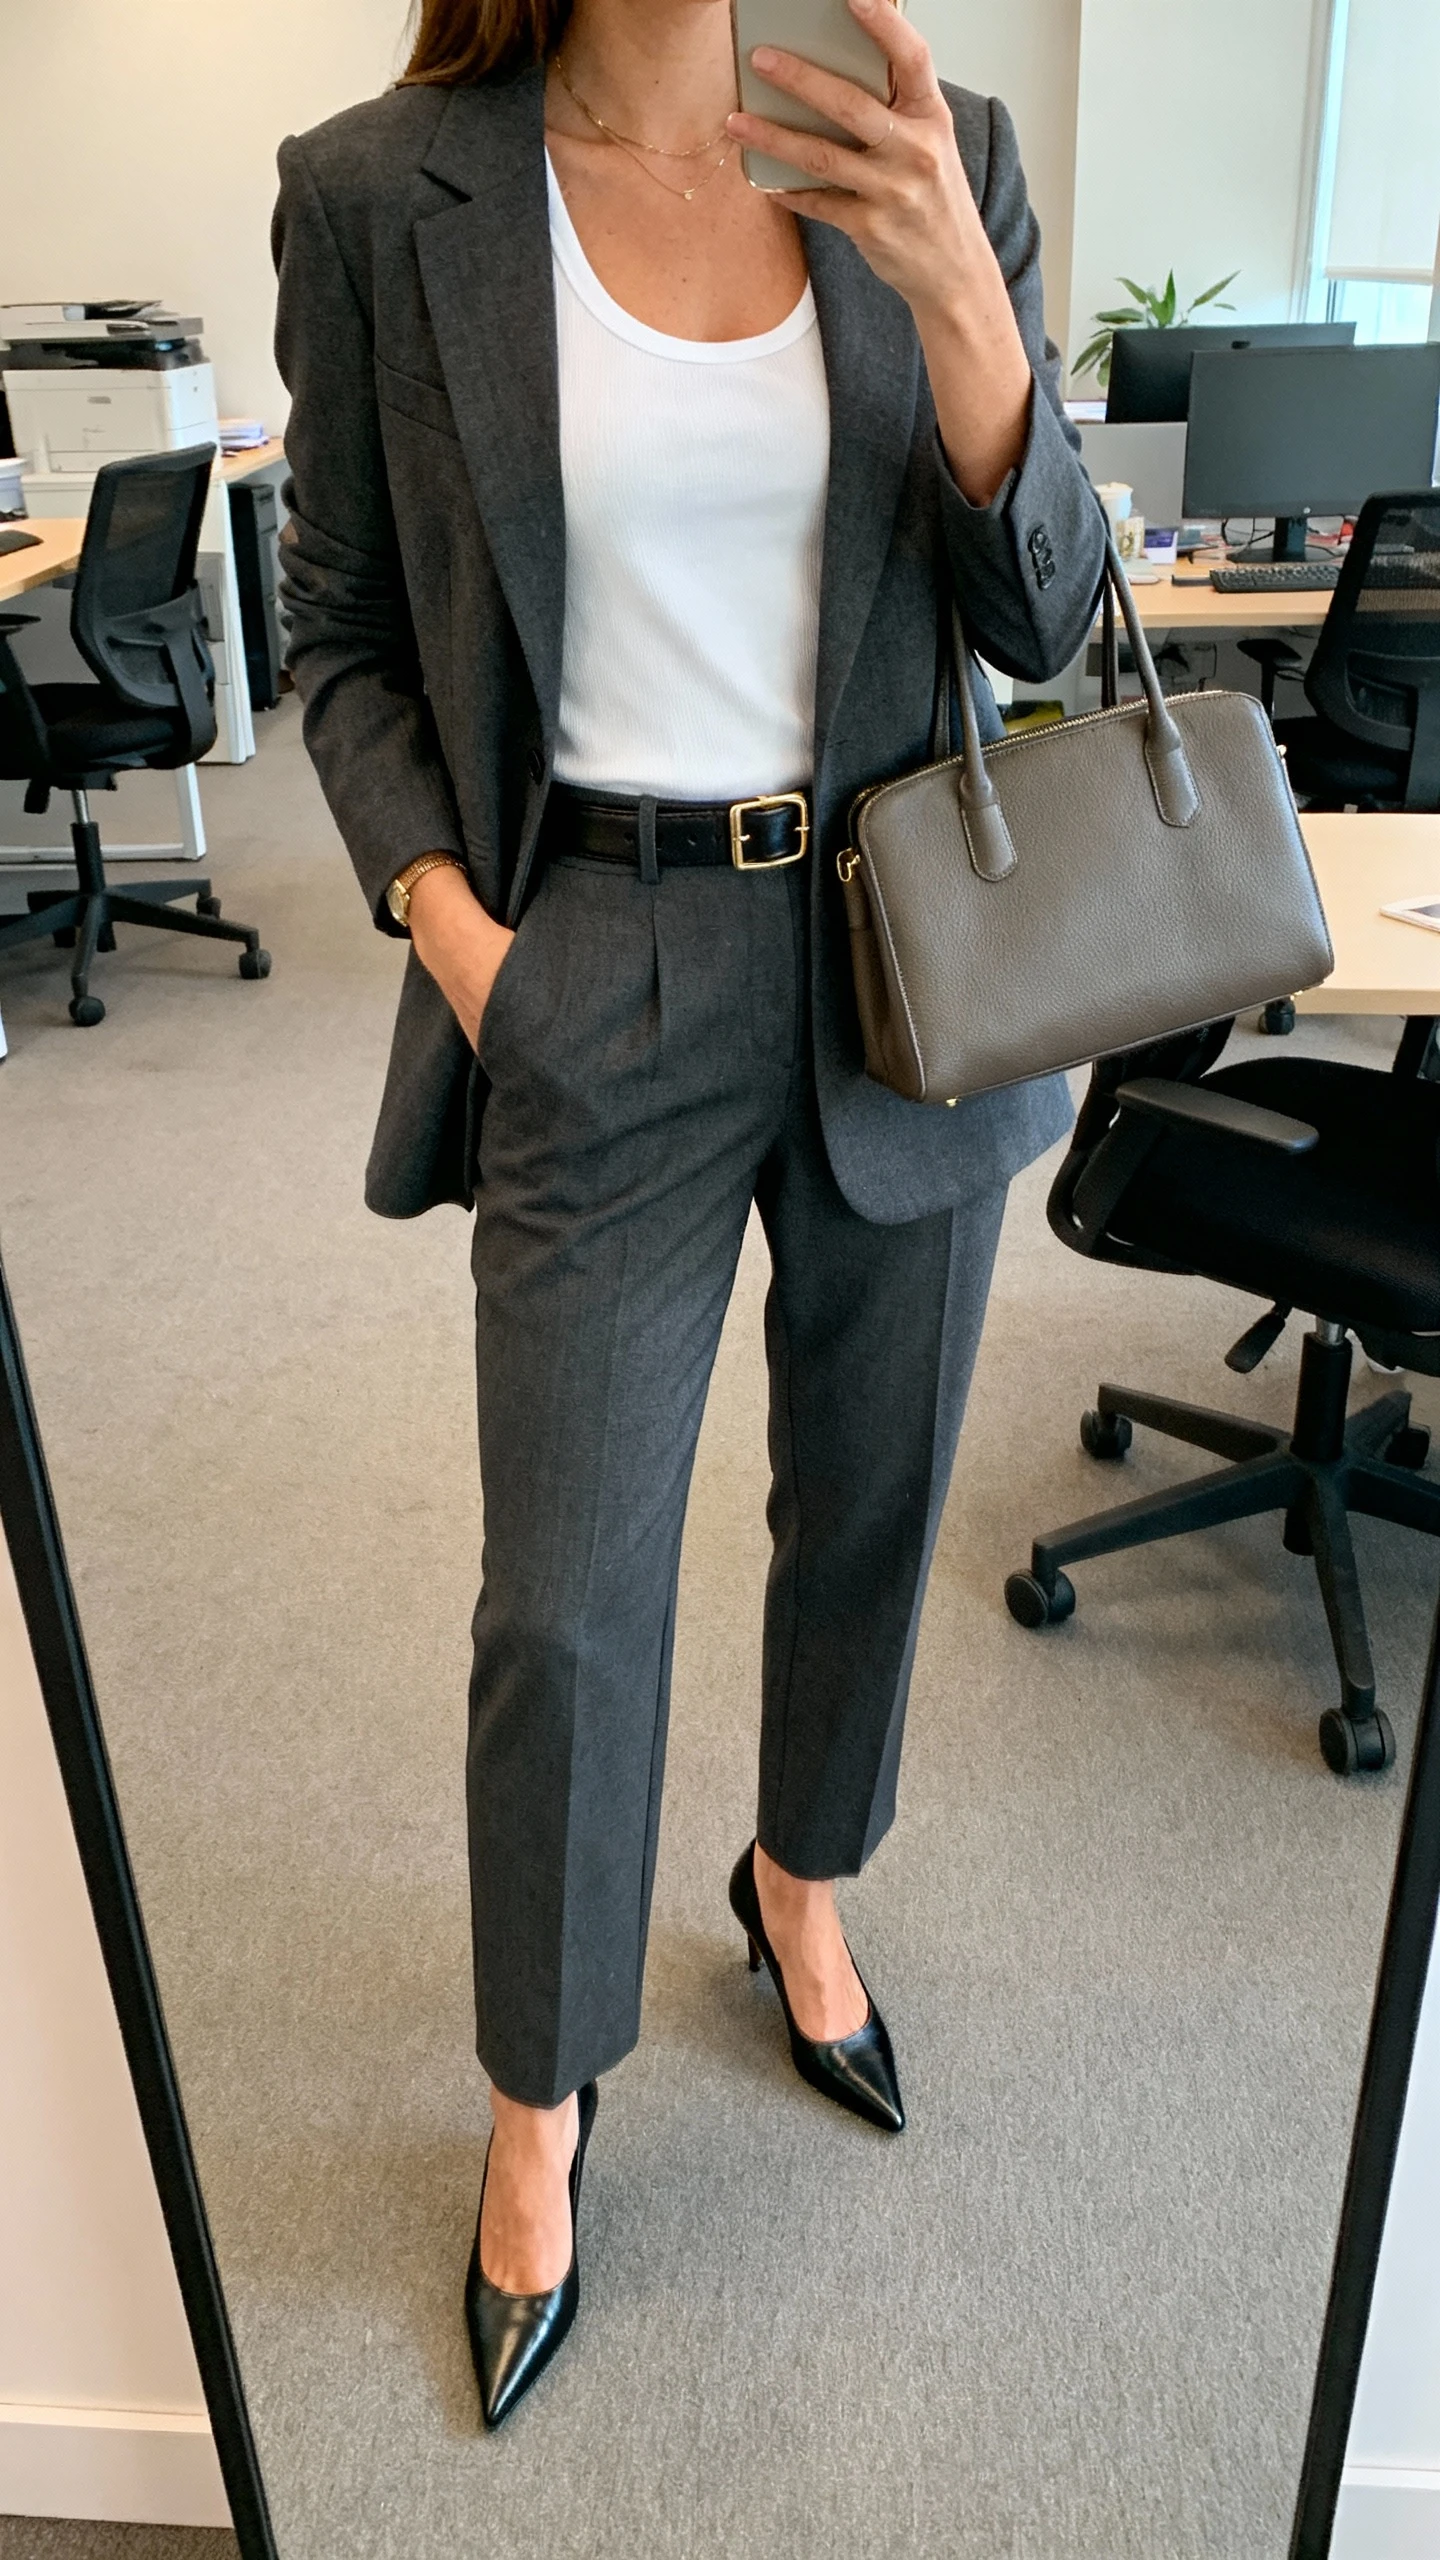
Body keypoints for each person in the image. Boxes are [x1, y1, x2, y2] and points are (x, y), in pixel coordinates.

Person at [273, 0, 1104, 2429]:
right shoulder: (377, 189)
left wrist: (966, 302)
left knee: (874, 1496)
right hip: (589, 956)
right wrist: (463, 938)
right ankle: (542, 2090)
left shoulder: (938, 149)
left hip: (902, 945)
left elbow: (1040, 617)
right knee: (565, 1593)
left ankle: (802, 1880)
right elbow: (333, 635)